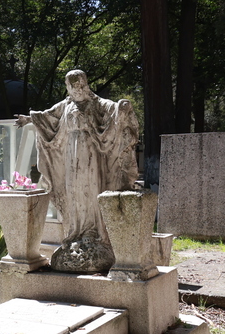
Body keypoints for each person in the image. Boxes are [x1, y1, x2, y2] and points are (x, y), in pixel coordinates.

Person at [15, 70, 139, 273]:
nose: (79, 90)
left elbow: (112, 108)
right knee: (73, 193)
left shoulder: (96, 103)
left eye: (81, 86)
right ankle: (75, 233)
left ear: (86, 84)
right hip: (70, 155)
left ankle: (93, 233)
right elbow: (48, 117)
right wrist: (29, 119)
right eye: (74, 87)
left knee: (90, 191)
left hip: (91, 153)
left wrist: (122, 108)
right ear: (68, 88)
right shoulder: (66, 105)